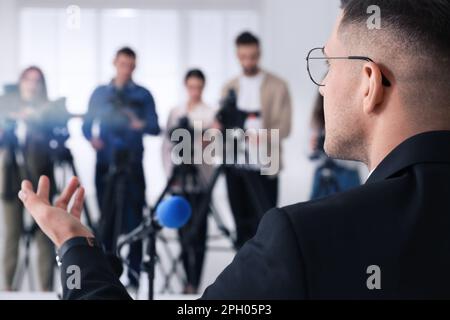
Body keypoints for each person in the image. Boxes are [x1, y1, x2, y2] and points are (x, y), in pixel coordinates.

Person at [16, 0, 450, 299]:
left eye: (328, 64)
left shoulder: (298, 241)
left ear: (370, 84)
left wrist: (74, 244)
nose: (322, 84)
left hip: (258, 167)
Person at [82, 47, 160, 290]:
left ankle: (135, 278)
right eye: (122, 64)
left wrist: (140, 124)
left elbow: (155, 127)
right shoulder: (100, 93)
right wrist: (92, 140)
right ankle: (105, 278)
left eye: (130, 65)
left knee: (134, 222)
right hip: (106, 164)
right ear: (114, 62)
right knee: (105, 222)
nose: (126, 69)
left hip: (133, 166)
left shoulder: (143, 95)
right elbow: (86, 125)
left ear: (135, 67)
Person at [220, 31, 292, 248]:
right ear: (237, 55)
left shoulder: (278, 86)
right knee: (241, 229)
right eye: (243, 56)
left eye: (252, 56)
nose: (248, 61)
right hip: (235, 165)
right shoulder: (229, 87)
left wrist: (260, 136)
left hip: (265, 166)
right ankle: (243, 278)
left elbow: (285, 127)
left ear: (259, 54)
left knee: (265, 227)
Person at [0, 66, 68, 291]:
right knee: (12, 235)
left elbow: (58, 135)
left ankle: (46, 291)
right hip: (11, 177)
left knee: (44, 235)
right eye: (27, 80)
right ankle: (7, 289)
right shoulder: (6, 107)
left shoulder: (49, 110)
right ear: (20, 83)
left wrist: (33, 120)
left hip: (40, 178)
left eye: (36, 81)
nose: (31, 85)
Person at [162, 69, 216, 294]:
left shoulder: (211, 113)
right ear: (186, 86)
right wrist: (170, 176)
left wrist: (207, 140)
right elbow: (166, 146)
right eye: (191, 87)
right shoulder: (176, 112)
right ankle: (187, 282)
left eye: (198, 87)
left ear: (203, 87)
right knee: (182, 230)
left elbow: (215, 147)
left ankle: (196, 282)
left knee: (200, 233)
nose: (195, 92)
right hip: (180, 181)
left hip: (201, 181)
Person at [309, 93, 361, 199]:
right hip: (322, 178)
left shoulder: (353, 118)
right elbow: (308, 153)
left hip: (347, 177)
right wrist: (313, 147)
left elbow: (357, 159)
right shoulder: (317, 122)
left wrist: (335, 150)